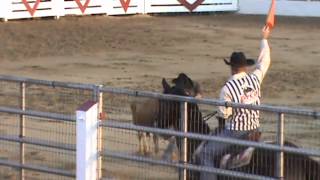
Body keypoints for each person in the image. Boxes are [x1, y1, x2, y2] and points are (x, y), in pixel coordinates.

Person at [198, 25, 271, 180]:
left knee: (206, 153)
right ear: (245, 66)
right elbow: (265, 61)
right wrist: (264, 38)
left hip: (235, 132)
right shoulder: (255, 78)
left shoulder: (228, 88)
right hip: (254, 129)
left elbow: (224, 114)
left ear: (232, 68)